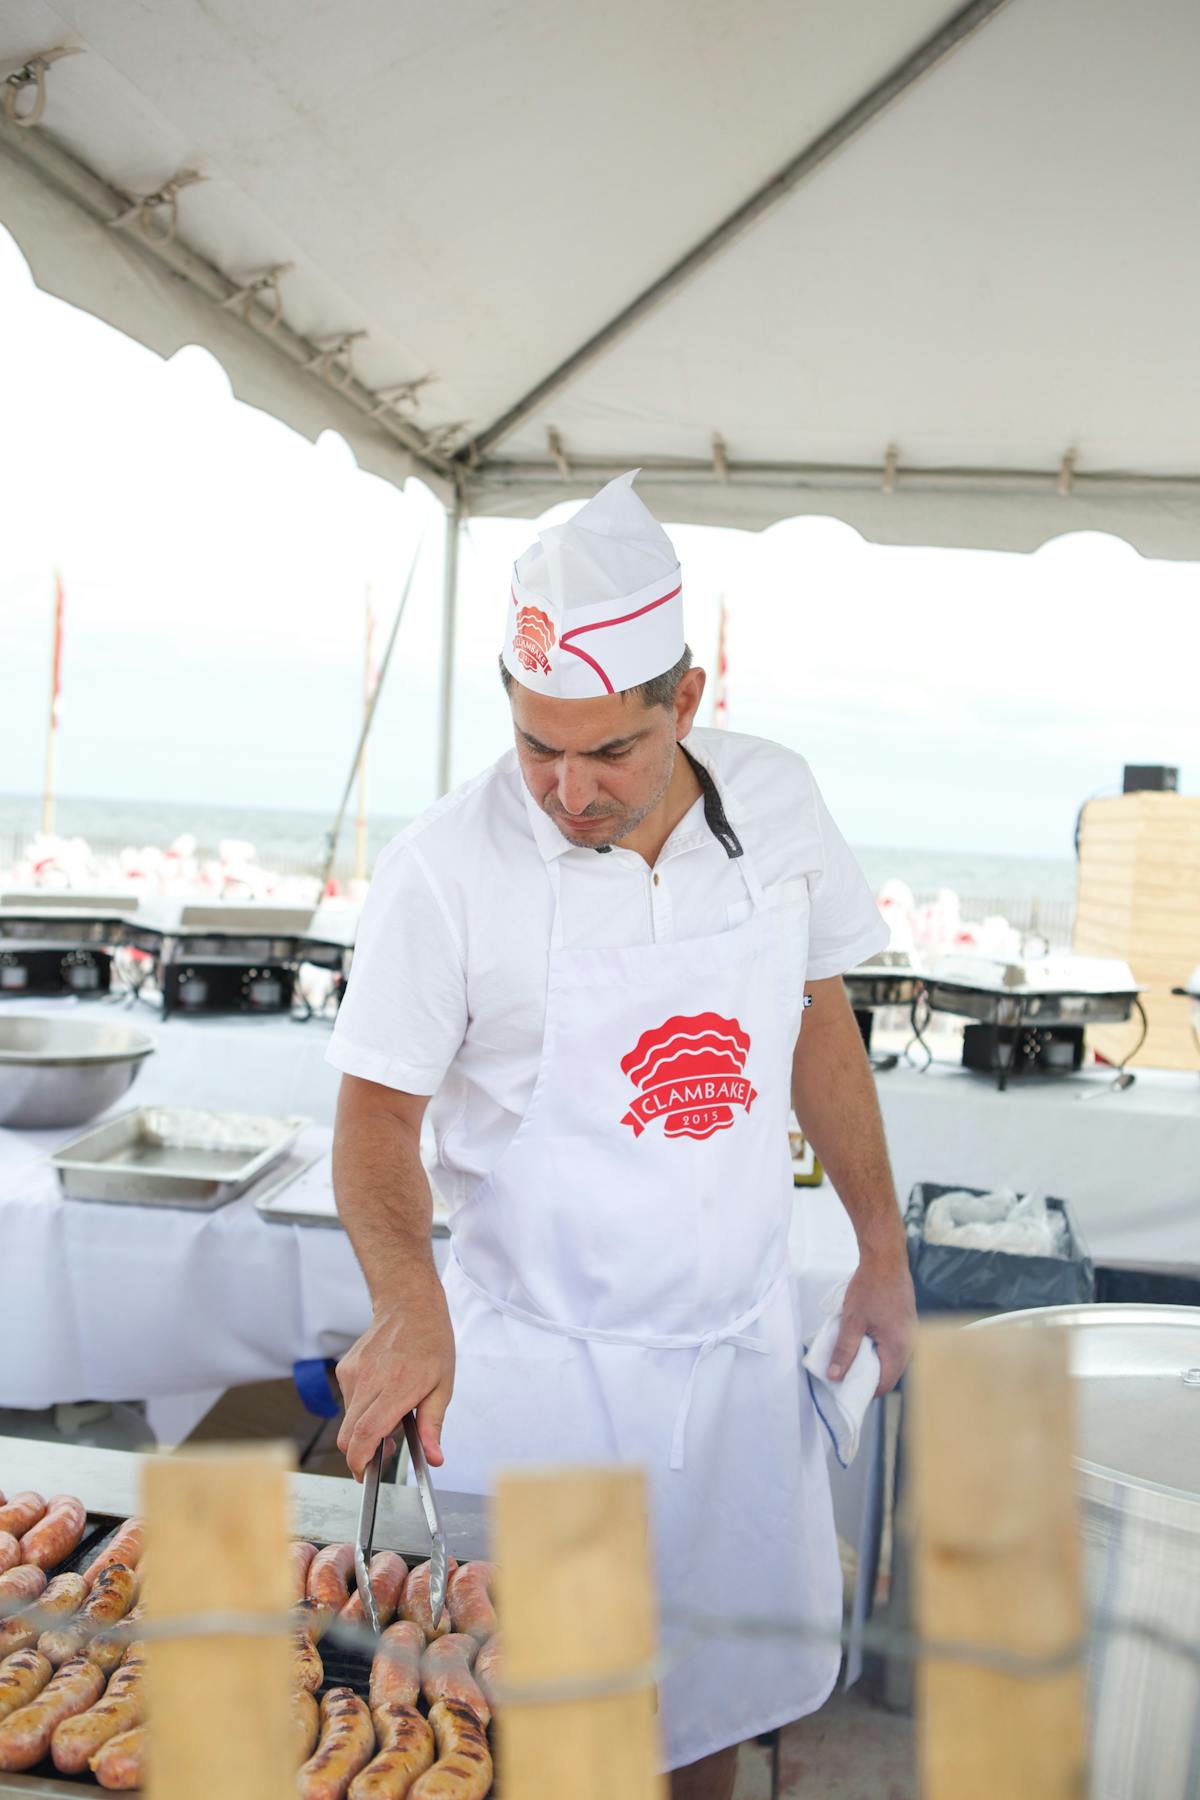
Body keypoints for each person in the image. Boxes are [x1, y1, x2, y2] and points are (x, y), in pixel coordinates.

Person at [328, 471, 916, 1800]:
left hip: (732, 1369)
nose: (566, 790)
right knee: (539, 1743)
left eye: (609, 752)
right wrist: (409, 1300)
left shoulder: (779, 807)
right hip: (542, 1377)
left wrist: (882, 1247)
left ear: (687, 703)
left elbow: (819, 1022)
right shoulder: (449, 867)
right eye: (537, 746)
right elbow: (375, 1117)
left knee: (703, 1712)